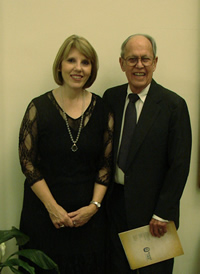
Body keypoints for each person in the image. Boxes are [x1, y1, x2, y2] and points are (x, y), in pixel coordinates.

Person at [19, 34, 113, 274]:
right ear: (60, 65)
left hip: (88, 219)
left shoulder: (103, 109)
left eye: (85, 62)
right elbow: (27, 162)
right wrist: (53, 208)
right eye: (71, 60)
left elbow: (106, 164)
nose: (78, 68)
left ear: (92, 69)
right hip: (44, 215)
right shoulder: (38, 107)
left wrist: (94, 206)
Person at [103, 34, 192, 274]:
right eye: (132, 59)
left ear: (155, 62)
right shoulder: (110, 98)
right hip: (115, 208)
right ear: (122, 64)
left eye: (145, 59)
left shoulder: (174, 105)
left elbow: (180, 164)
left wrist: (163, 213)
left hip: (154, 215)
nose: (139, 65)